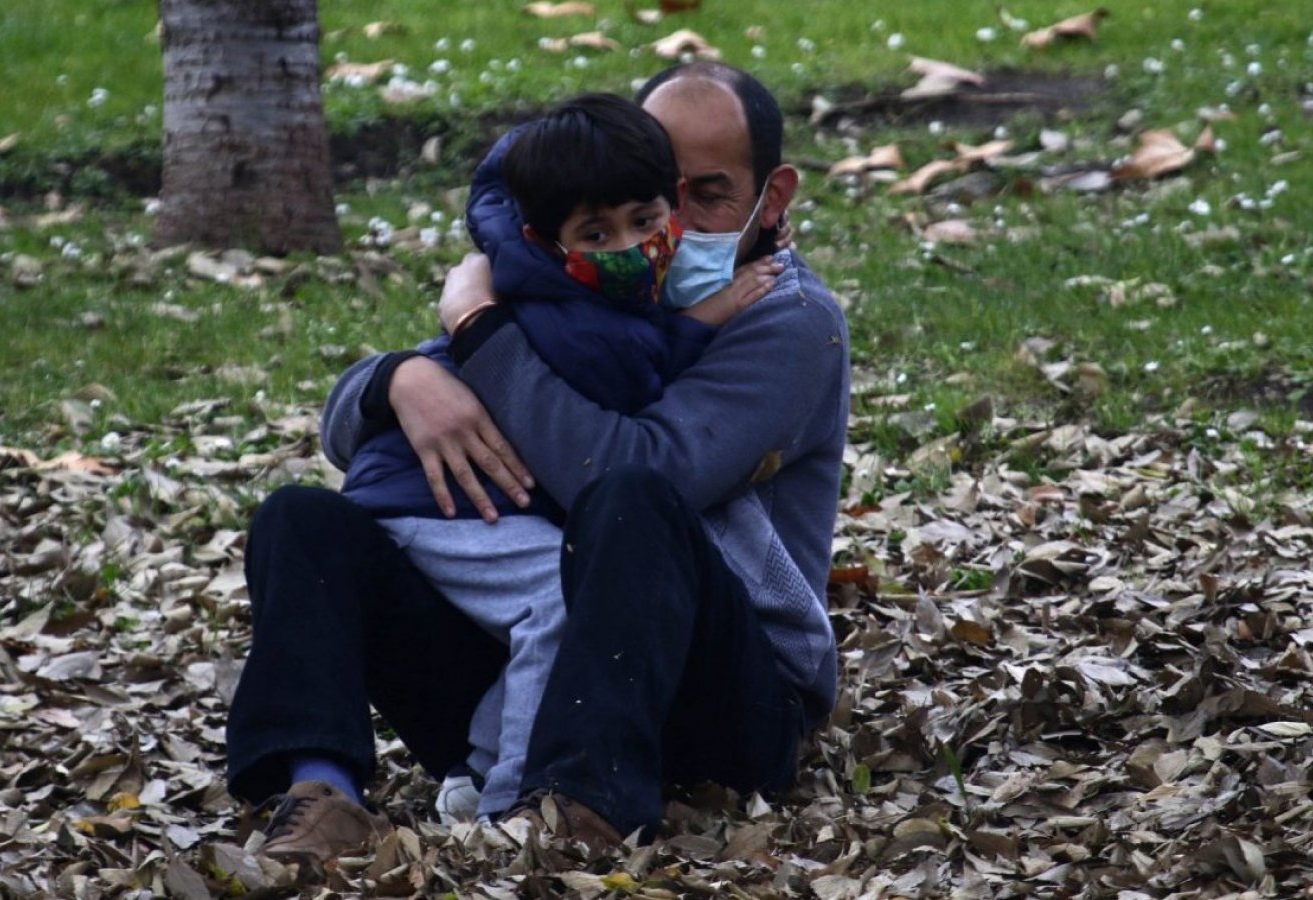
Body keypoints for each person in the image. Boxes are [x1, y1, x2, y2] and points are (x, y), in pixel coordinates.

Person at [227, 60, 850, 860]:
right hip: (549, 666)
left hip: (730, 697)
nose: (675, 226)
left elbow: (628, 469)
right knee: (300, 520)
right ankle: (323, 795)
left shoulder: (788, 319)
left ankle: (574, 811)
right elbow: (346, 436)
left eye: (711, 193)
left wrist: (482, 331)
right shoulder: (587, 267)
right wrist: (400, 379)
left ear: (774, 198)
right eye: (666, 186)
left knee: (630, 498)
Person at [334, 92, 780, 824]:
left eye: (645, 221)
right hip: (433, 503)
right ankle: (512, 797)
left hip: (449, 500)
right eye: (597, 234)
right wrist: (711, 313)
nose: (631, 246)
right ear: (550, 241)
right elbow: (626, 388)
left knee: (568, 595)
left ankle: (482, 770)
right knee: (564, 600)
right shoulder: (563, 307)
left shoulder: (558, 282)